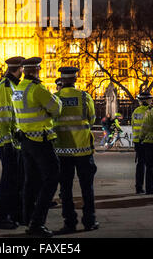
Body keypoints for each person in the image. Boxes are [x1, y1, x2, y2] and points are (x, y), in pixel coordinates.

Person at [11, 57, 62, 238]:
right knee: (52, 177)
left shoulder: (18, 89)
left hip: (25, 141)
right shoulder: (37, 89)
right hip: (40, 140)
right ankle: (37, 222)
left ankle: (28, 218)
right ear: (37, 70)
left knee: (31, 181)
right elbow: (56, 109)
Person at [54, 67, 98, 234]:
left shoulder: (55, 98)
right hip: (83, 150)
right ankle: (90, 220)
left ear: (62, 80)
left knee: (65, 188)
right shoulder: (84, 96)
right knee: (87, 187)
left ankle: (69, 222)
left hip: (62, 151)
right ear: (75, 79)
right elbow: (92, 119)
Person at [0, 56, 25, 230]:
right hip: (8, 142)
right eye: (22, 68)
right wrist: (11, 138)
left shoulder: (13, 85)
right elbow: (5, 115)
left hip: (14, 141)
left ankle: (15, 214)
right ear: (18, 68)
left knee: (16, 182)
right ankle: (1, 217)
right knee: (8, 182)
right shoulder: (6, 86)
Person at [132, 91, 153, 195]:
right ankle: (149, 188)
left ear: (140, 101)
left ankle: (138, 188)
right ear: (148, 100)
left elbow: (133, 125)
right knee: (150, 166)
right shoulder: (152, 111)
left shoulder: (135, 111)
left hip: (137, 142)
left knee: (140, 165)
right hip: (149, 141)